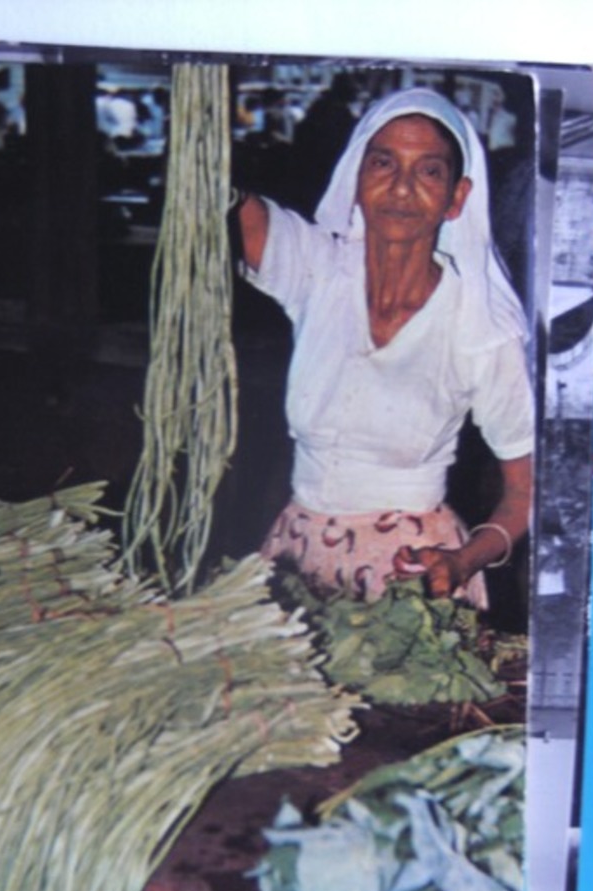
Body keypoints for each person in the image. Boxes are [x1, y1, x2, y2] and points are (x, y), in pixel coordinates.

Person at [236, 86, 534, 606]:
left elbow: (524, 492)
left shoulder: (480, 327)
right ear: (357, 177)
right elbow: (240, 213)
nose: (401, 188)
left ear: (456, 198)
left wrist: (464, 559)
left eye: (428, 171)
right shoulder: (319, 271)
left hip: (410, 576)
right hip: (296, 553)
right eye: (383, 164)